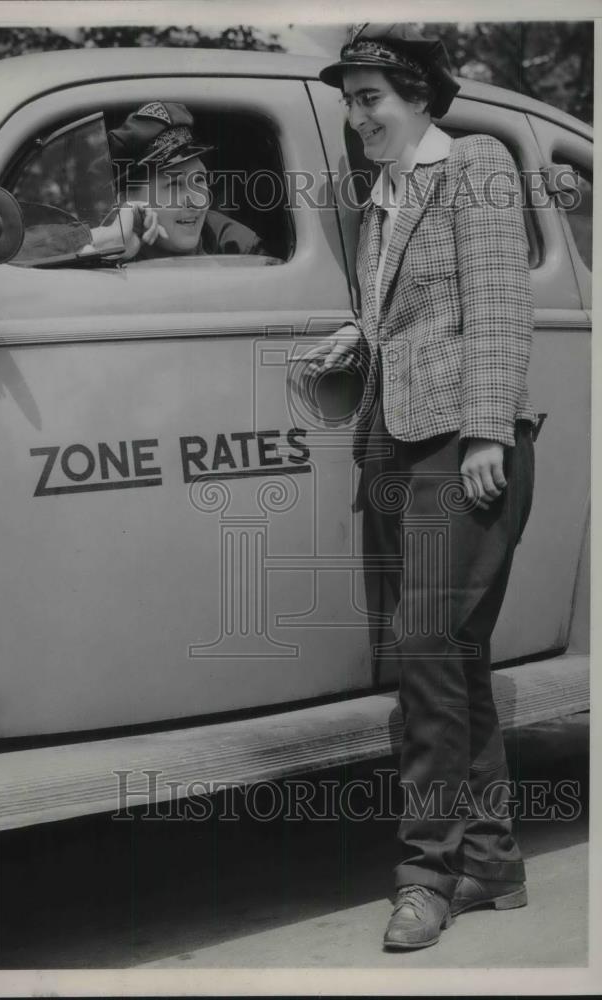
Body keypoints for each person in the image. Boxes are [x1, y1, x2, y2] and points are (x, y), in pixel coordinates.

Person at [309, 23, 540, 951]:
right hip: (397, 446)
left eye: (372, 97)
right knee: (451, 663)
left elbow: (495, 305)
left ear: (418, 97)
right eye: (350, 99)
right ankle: (490, 861)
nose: (358, 115)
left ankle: (427, 874)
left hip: (463, 445)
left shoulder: (476, 164)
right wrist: (354, 337)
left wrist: (488, 429)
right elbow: (404, 312)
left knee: (424, 655)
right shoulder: (385, 195)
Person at [86, 101, 267, 261]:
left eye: (199, 179)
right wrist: (106, 242)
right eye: (174, 184)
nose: (198, 201)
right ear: (127, 201)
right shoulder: (112, 247)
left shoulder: (237, 249)